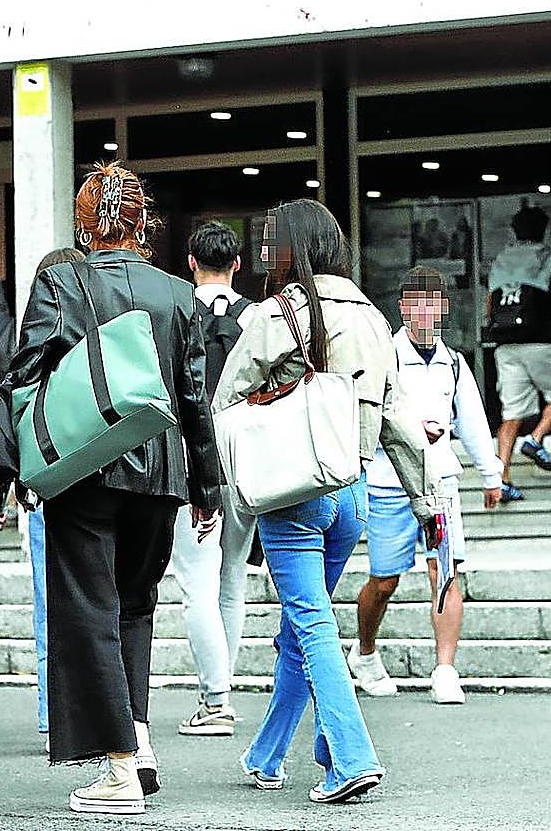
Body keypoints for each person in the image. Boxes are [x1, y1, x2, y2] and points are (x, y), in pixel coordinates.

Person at [9, 163, 222, 816]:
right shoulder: (178, 294)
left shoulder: (59, 281)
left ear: (84, 221)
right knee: (135, 607)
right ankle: (141, 741)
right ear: (142, 221)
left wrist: (21, 468)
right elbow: (194, 398)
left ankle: (120, 770)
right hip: (160, 469)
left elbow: (25, 375)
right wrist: (208, 484)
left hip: (83, 466)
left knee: (88, 609)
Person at [213, 200, 441, 804]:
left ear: (292, 250)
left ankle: (351, 756)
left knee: (310, 623)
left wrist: (220, 481)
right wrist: (427, 506)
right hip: (355, 493)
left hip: (293, 492)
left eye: (269, 244)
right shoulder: (370, 317)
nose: (264, 256)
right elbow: (400, 422)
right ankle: (270, 754)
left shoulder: (277, 311)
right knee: (298, 626)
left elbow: (225, 400)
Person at [350, 267, 503, 705]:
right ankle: (364, 652)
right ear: (402, 308)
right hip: (389, 484)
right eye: (415, 303)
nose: (423, 311)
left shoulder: (452, 362)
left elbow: (473, 421)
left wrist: (491, 474)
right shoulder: (384, 357)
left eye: (431, 303)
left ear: (442, 308)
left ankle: (445, 669)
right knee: (384, 581)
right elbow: (363, 416)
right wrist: (410, 430)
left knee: (445, 571)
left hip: (440, 484)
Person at [171, 220, 258, 737]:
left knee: (197, 585)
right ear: (237, 265)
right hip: (244, 465)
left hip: (190, 463)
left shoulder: (176, 313)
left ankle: (215, 698)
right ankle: (223, 689)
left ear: (190, 262)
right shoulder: (258, 318)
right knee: (232, 580)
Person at [25, 246, 85, 753]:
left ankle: (52, 711)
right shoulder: (96, 341)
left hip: (48, 479)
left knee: (49, 603)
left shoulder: (40, 344)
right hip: (98, 478)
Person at [485, 199, 551, 502]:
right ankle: (536, 440)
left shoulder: (501, 259)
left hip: (506, 344)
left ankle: (503, 479)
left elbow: (490, 303)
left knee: (511, 414)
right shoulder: (546, 257)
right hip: (541, 340)